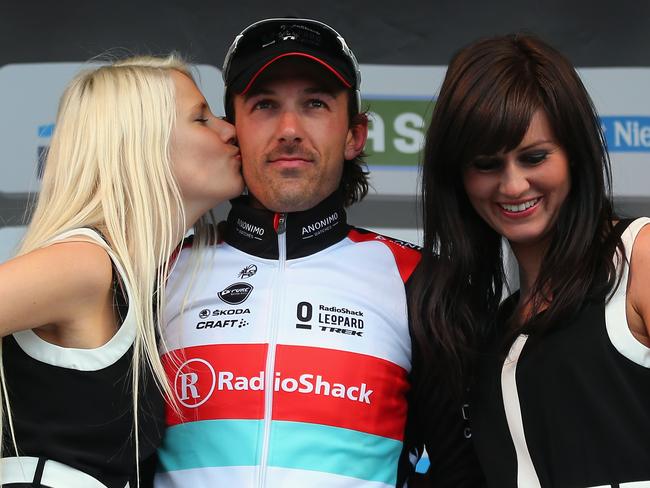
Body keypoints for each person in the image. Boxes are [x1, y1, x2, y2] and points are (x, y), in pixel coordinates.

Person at [155, 17, 482, 488]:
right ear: (232, 133)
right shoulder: (160, 273)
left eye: (315, 104)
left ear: (355, 135)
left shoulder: (418, 279)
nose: (289, 129)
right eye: (265, 105)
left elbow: (462, 470)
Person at [411, 33, 650, 487]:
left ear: (575, 155)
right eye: (487, 164)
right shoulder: (491, 331)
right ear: (457, 178)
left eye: (534, 157)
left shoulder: (640, 258)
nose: (514, 185)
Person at [0, 55, 243, 487]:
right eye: (201, 119)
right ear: (141, 144)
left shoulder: (140, 280)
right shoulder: (84, 262)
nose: (230, 130)